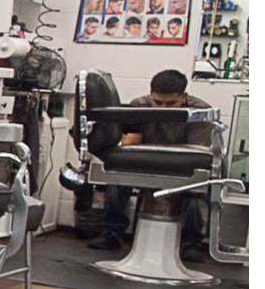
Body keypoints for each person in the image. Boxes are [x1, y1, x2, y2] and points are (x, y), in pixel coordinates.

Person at [88, 68, 214, 259]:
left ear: (184, 97)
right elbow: (130, 143)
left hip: (181, 166)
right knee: (118, 174)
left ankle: (191, 243)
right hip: (147, 162)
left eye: (170, 104)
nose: (162, 109)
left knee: (197, 184)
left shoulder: (200, 112)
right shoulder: (140, 106)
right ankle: (112, 234)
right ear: (150, 94)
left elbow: (197, 153)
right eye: (158, 102)